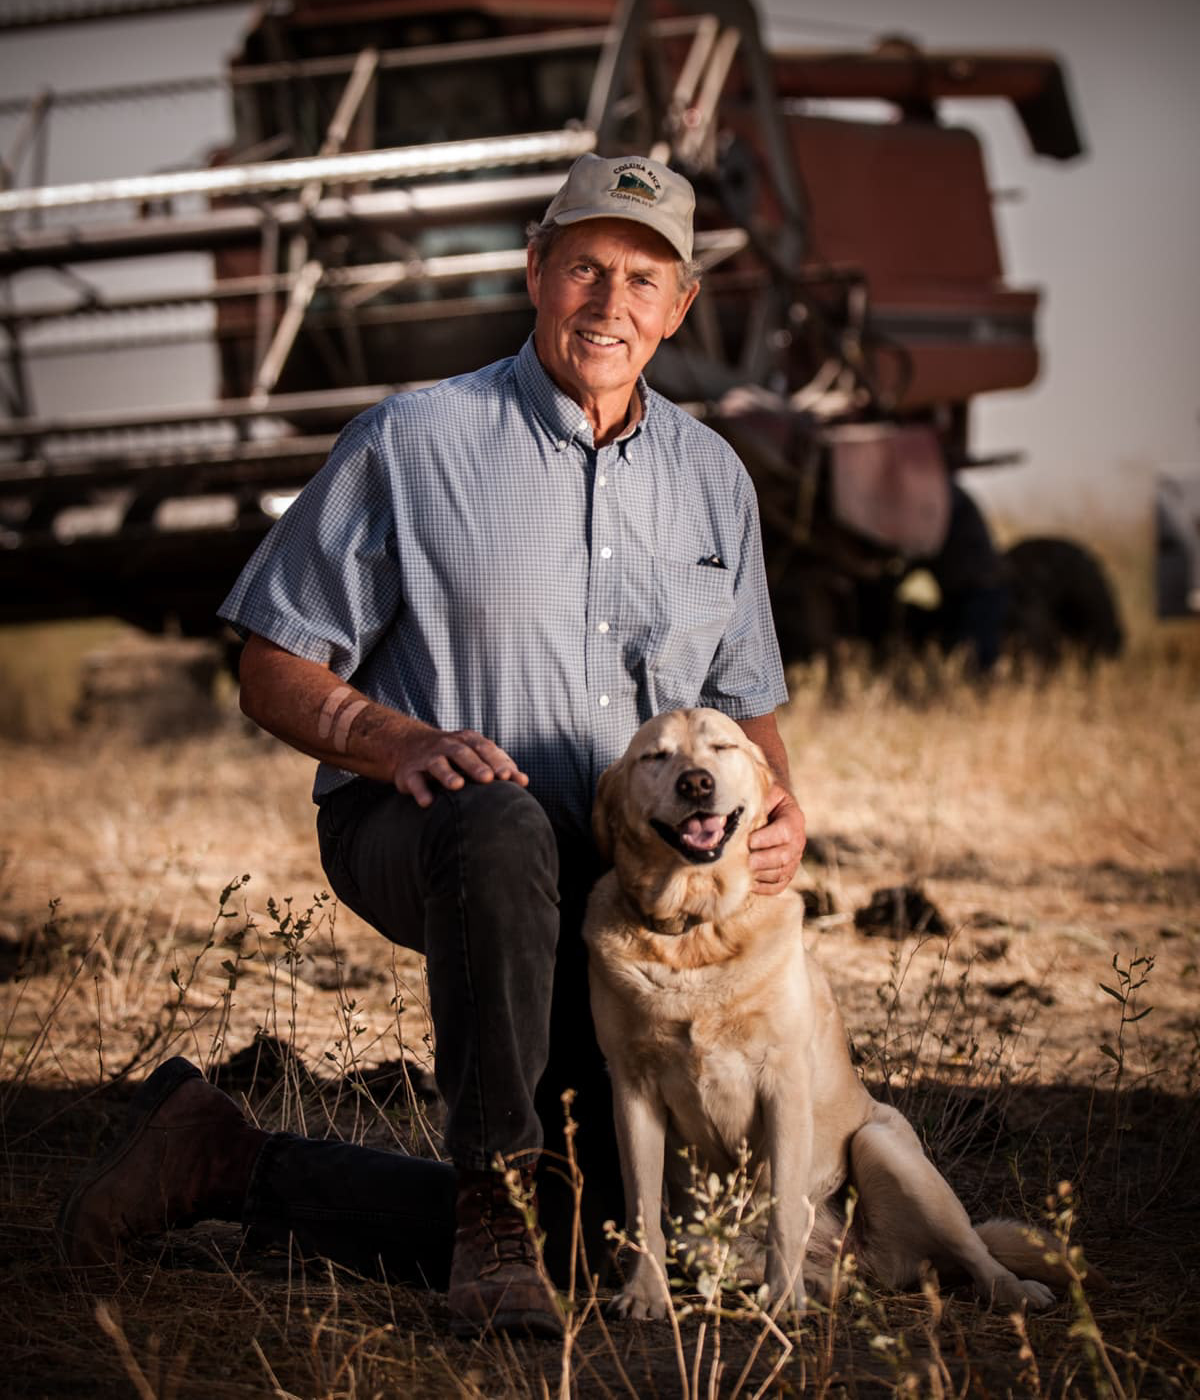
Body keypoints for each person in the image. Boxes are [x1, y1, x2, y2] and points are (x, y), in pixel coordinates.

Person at [58, 153, 806, 1338]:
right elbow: (270, 660)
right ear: (535, 273)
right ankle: (495, 1208)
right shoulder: (414, 440)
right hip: (428, 828)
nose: (611, 304)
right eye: (586, 269)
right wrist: (388, 737)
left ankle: (227, 1163)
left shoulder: (713, 479)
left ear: (680, 308)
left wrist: (783, 806)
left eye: (643, 280)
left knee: (611, 1236)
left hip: (616, 892)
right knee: (502, 821)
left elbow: (741, 699)